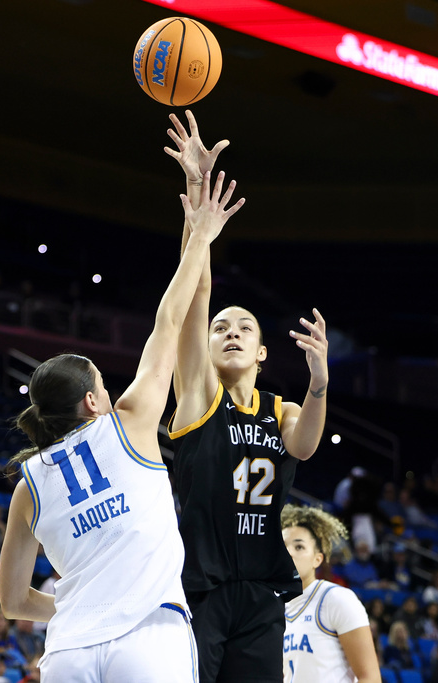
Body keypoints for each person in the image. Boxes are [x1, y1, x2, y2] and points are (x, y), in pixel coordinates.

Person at [0, 167, 242, 683]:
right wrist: (200, 233)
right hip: (150, 635)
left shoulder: (28, 487)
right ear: (91, 401)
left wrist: (80, 610)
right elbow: (171, 320)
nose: (112, 394)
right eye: (104, 386)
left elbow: (13, 602)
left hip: (67, 652)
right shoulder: (129, 424)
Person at [163, 111, 328, 683]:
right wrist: (196, 196)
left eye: (245, 328)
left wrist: (320, 382)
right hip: (199, 589)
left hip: (261, 590)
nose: (230, 331)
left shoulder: (278, 409)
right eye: (221, 328)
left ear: (261, 352)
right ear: (207, 349)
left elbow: (304, 448)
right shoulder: (199, 398)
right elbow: (196, 293)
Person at [280, 504, 379, 683]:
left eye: (299, 547)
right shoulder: (274, 608)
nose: (289, 553)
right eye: (284, 546)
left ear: (318, 559)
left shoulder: (336, 599)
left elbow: (369, 677)